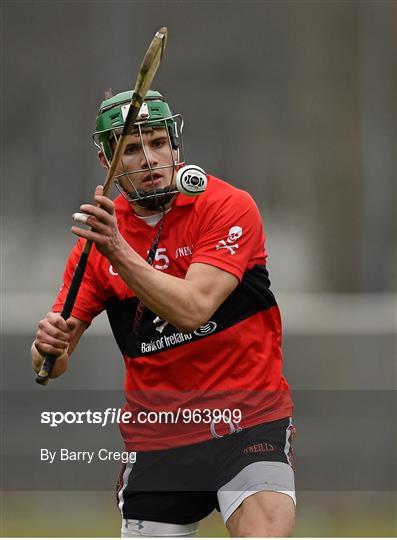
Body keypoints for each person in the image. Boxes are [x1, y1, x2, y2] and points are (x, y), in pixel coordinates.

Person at [32, 90, 296, 537]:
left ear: (176, 144)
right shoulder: (94, 245)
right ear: (107, 162)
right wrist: (47, 348)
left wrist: (117, 249)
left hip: (248, 419)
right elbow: (51, 364)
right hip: (159, 436)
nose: (150, 158)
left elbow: (193, 309)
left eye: (158, 143)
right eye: (131, 149)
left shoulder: (227, 206)